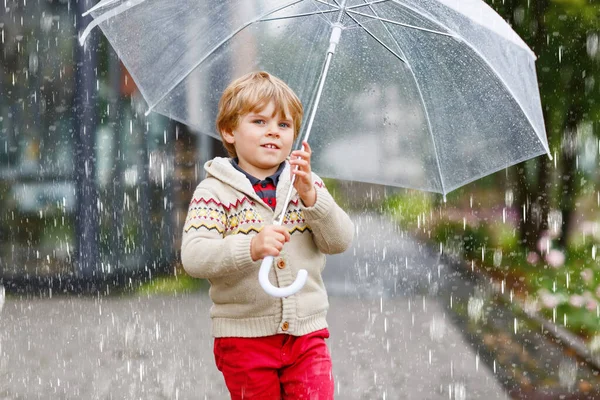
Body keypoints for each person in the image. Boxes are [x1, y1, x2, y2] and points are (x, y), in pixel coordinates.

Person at [181, 71, 354, 399]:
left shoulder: (305, 184)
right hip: (244, 341)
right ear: (229, 131)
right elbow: (194, 256)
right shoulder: (215, 191)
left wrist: (312, 199)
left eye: (284, 125)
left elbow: (340, 240)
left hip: (306, 335)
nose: (273, 131)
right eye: (259, 122)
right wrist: (251, 246)